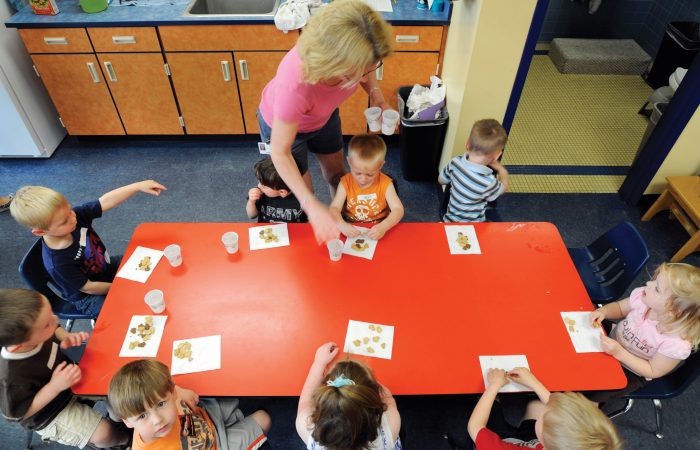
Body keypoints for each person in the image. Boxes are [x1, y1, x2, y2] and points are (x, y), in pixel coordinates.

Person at [258, 0, 394, 243]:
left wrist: (378, 99)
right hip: (286, 127)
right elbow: (280, 152)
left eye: (369, 67)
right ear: (335, 64)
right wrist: (312, 205)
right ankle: (313, 232)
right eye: (358, 71)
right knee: (302, 192)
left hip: (324, 115)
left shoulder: (358, 61)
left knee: (336, 175)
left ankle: (340, 220)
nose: (366, 74)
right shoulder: (297, 84)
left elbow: (368, 64)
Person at [9, 180, 166, 318]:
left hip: (105, 268)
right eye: (64, 221)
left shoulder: (73, 218)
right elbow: (89, 288)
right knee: (124, 314)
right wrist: (122, 288)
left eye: (70, 210)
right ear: (41, 232)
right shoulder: (57, 263)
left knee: (152, 263)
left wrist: (137, 186)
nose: (73, 217)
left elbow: (104, 202)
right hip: (88, 296)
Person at [0, 288, 130, 448]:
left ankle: (116, 419)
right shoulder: (11, 377)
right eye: (47, 323)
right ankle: (123, 441)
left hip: (70, 379)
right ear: (20, 345)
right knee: (104, 433)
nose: (55, 320)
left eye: (51, 313)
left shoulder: (38, 328)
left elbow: (54, 327)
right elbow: (18, 414)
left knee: (117, 384)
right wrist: (54, 387)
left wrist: (66, 337)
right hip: (49, 412)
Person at [586, 262, 700, 403]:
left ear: (672, 312)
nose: (648, 284)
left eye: (657, 288)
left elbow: (653, 370)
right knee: (582, 323)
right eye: (654, 281)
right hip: (613, 340)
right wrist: (604, 311)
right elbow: (620, 309)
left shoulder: (676, 344)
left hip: (631, 370)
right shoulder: (644, 298)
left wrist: (619, 353)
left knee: (593, 392)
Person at [108, 359, 271, 450]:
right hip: (217, 445)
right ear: (127, 422)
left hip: (208, 418)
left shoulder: (170, 392)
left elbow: (168, 384)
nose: (157, 420)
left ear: (171, 393)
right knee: (264, 419)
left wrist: (179, 390)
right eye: (142, 416)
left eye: (161, 404)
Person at [467, 367, 622, 450]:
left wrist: (494, 385)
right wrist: (534, 383)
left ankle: (489, 396)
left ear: (542, 433)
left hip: (506, 443)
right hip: (532, 441)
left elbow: (475, 427)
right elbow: (558, 408)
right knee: (537, 406)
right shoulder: (560, 444)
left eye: (547, 414)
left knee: (488, 407)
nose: (549, 406)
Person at [296, 342, 402, 450]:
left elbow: (306, 401)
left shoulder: (306, 427)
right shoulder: (392, 425)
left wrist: (318, 364)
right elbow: (389, 399)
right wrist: (372, 384)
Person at [329, 134, 404, 240]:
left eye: (370, 174)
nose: (363, 179)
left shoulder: (386, 183)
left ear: (381, 165)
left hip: (379, 227)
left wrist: (384, 226)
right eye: (357, 173)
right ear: (349, 162)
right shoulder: (345, 182)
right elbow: (334, 208)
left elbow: (398, 209)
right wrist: (341, 225)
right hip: (350, 226)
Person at [439, 119, 509, 222]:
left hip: (449, 221)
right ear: (496, 156)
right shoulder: (489, 182)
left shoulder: (455, 163)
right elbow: (504, 188)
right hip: (474, 226)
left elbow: (441, 180)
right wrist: (503, 171)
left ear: (467, 143)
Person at [247, 157, 308, 223]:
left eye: (264, 186)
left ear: (282, 192)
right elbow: (251, 215)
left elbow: (309, 221)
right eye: (259, 182)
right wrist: (251, 202)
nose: (258, 186)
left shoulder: (303, 199)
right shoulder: (261, 193)